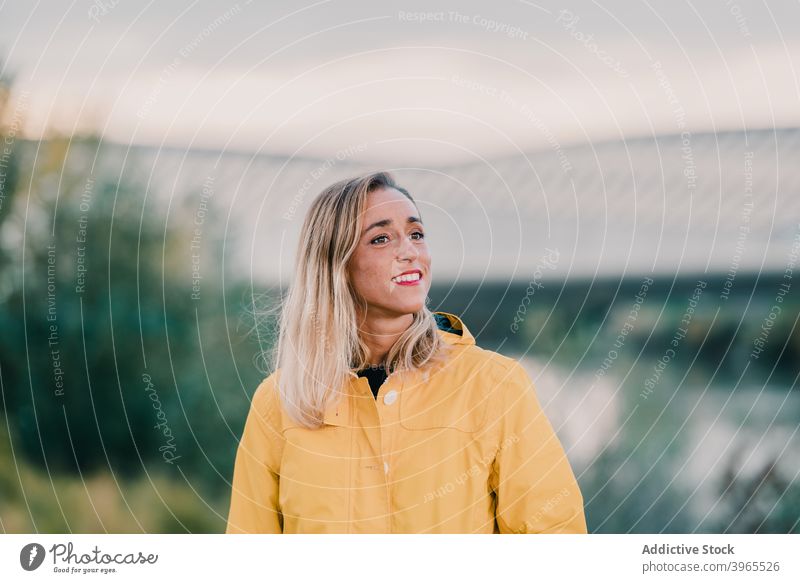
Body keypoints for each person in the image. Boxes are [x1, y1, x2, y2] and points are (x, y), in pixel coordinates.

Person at [225, 171, 587, 534]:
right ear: (336, 265)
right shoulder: (279, 403)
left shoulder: (493, 385)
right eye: (381, 239)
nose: (410, 251)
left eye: (416, 234)